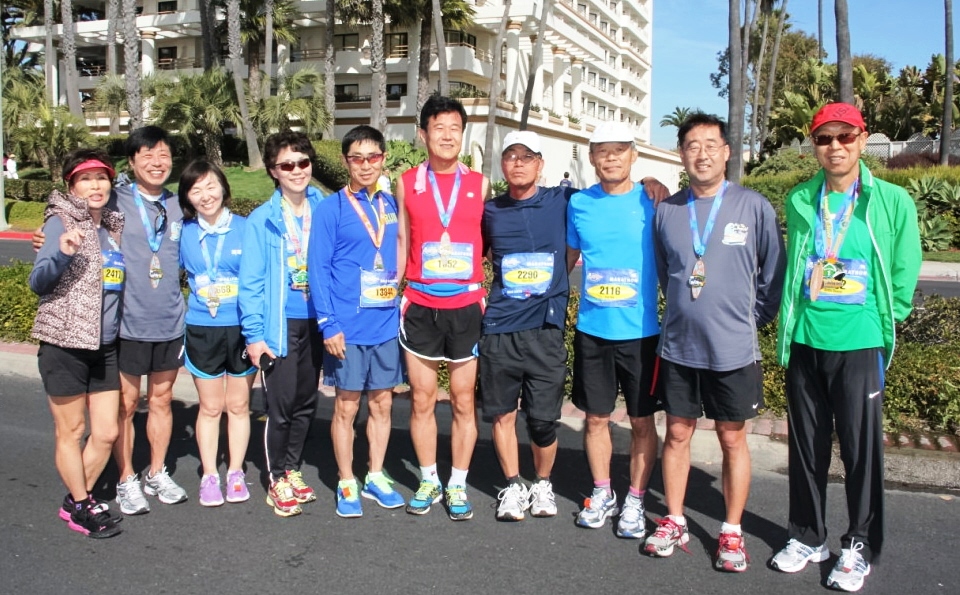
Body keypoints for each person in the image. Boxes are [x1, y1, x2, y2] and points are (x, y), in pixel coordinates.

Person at [772, 103, 921, 592]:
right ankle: (807, 536)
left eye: (845, 137)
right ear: (813, 145)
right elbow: (798, 265)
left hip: (860, 343)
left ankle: (859, 545)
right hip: (806, 338)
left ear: (862, 139)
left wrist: (887, 319)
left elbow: (905, 266)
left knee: (860, 452)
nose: (834, 147)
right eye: (824, 138)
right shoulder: (800, 199)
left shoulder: (891, 200)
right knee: (806, 448)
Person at [644, 113, 785, 571]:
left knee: (731, 437)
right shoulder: (668, 211)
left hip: (733, 349)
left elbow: (773, 273)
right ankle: (675, 519)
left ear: (726, 152)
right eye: (692, 145)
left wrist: (751, 320)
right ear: (681, 154)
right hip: (679, 346)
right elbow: (666, 272)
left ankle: (731, 531)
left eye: (710, 145)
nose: (701, 154)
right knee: (677, 433)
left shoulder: (753, 206)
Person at [565, 122, 662, 539]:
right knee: (595, 419)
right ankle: (602, 492)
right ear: (591, 158)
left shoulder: (654, 200)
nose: (611, 158)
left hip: (641, 332)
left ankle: (636, 500)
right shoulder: (579, 204)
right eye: (602, 151)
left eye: (619, 150)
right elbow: (567, 260)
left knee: (641, 422)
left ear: (633, 155)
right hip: (593, 330)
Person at [396, 96, 489, 520]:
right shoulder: (407, 182)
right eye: (439, 128)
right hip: (420, 303)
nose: (447, 136)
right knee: (422, 398)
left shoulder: (480, 184)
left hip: (466, 305)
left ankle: (457, 483)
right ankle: (429, 478)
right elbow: (402, 240)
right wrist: (393, 290)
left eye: (455, 128)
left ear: (463, 134)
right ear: (423, 134)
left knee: (464, 400)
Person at [308, 125, 405, 518]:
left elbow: (402, 250)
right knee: (346, 407)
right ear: (345, 161)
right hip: (347, 328)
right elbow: (317, 269)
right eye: (357, 158)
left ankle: (376, 475)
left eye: (373, 157)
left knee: (382, 404)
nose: (366, 165)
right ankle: (347, 479)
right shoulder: (331, 208)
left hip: (385, 325)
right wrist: (328, 324)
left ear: (383, 159)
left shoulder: (391, 204)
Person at [30, 149, 125, 538]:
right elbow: (38, 281)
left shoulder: (112, 225)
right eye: (86, 179)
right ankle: (83, 505)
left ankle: (74, 500)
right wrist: (61, 253)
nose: (95, 185)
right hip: (64, 342)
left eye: (101, 177)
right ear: (71, 186)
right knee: (71, 431)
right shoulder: (60, 221)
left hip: (105, 345)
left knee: (106, 432)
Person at [480, 131, 574, 521]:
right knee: (502, 414)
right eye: (511, 156)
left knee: (542, 420)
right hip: (500, 327)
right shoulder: (490, 211)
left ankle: (542, 483)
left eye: (527, 156)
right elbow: (480, 254)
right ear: (502, 164)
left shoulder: (563, 200)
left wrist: (650, 184)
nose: (518, 163)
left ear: (540, 164)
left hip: (545, 330)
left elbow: (609, 196)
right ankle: (513, 485)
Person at [239, 131, 325, 518]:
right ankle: (276, 478)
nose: (297, 170)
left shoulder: (325, 209)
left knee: (307, 402)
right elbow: (251, 284)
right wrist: (254, 336)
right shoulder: (262, 220)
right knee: (282, 405)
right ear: (274, 171)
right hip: (280, 325)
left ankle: (292, 469)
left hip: (318, 322)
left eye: (303, 162)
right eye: (287, 165)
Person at [111, 127, 188, 513]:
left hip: (170, 322)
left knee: (161, 400)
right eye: (147, 155)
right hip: (128, 323)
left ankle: (156, 472)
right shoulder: (115, 200)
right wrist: (46, 232)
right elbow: (72, 214)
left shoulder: (179, 204)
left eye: (164, 155)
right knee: (126, 405)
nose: (157, 163)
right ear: (132, 162)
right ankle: (126, 478)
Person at [178, 160, 255, 507]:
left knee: (238, 405)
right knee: (210, 407)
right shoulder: (182, 233)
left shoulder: (246, 228)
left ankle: (235, 472)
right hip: (202, 329)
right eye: (196, 190)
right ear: (187, 198)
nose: (205, 195)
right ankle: (209, 475)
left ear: (224, 187)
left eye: (211, 186)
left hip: (241, 329)